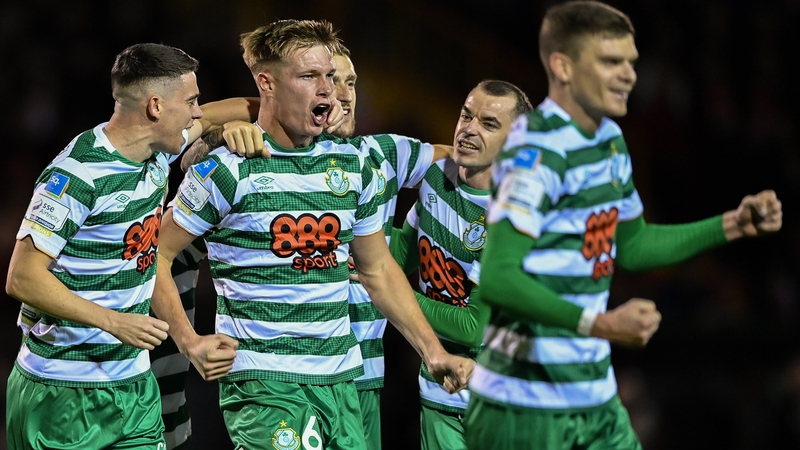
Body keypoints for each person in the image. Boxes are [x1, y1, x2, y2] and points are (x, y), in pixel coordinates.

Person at [462, 2, 783, 449]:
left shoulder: (611, 142)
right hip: (524, 403)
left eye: (631, 61)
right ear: (564, 67)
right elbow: (498, 278)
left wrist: (730, 225)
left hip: (593, 396)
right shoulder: (536, 150)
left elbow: (632, 245)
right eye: (612, 61)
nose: (630, 74)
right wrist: (603, 324)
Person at [150, 19, 471, 450]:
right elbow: (153, 254)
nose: (331, 91)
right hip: (266, 384)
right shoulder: (225, 168)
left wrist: (433, 352)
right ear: (266, 82)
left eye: (333, 77)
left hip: (343, 380)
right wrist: (189, 342)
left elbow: (378, 269)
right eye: (310, 77)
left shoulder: (360, 165)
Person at [4, 43, 256, 450]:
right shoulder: (77, 174)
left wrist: (287, 113)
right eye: (190, 101)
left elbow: (219, 113)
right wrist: (113, 321)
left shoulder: (155, 154)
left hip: (134, 389)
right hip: (62, 392)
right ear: (155, 107)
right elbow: (22, 277)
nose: (197, 112)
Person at [389, 80, 532, 450]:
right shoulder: (436, 176)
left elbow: (472, 328)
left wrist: (390, 293)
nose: (468, 129)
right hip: (441, 390)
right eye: (466, 116)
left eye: (488, 123)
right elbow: (398, 258)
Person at [324, 45, 453, 450]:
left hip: (365, 375)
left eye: (351, 82)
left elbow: (459, 162)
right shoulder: (260, 155)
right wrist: (234, 124)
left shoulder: (383, 155)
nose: (345, 95)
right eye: (330, 81)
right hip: (289, 374)